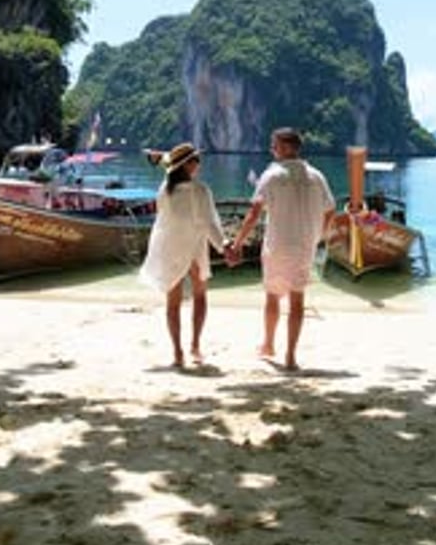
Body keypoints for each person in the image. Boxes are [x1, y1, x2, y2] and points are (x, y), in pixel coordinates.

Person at [230, 127, 335, 370]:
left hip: (277, 244)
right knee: (297, 299)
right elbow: (330, 210)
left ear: (287, 147)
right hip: (305, 245)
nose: (272, 148)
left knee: (272, 296)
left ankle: (268, 345)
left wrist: (237, 243)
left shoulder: (272, 175)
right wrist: (320, 235)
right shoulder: (316, 176)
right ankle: (290, 356)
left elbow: (254, 213)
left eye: (274, 144)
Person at [140, 142, 230, 367]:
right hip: (195, 247)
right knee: (200, 296)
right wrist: (224, 245)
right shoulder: (200, 190)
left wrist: (163, 159)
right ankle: (195, 346)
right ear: (188, 165)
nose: (199, 164)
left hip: (170, 246)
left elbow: (165, 218)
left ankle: (178, 352)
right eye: (196, 160)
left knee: (173, 302)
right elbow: (210, 223)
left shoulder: (165, 189)